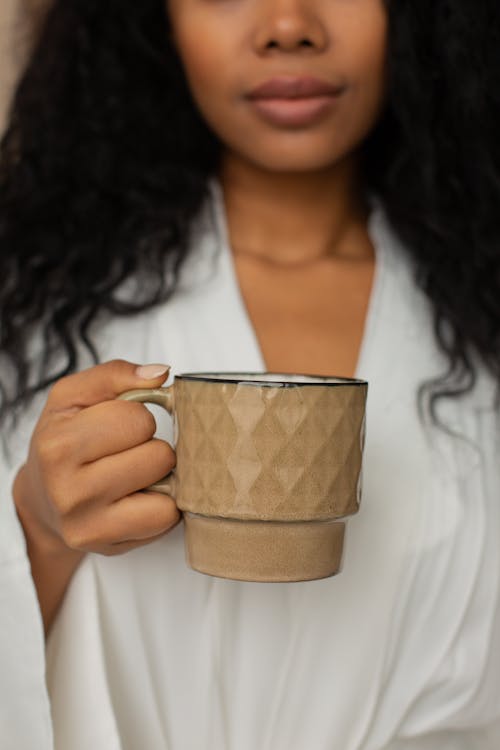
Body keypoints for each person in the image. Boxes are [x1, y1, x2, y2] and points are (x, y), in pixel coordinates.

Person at [0, 0, 499, 748]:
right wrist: (39, 528)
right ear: (150, 21)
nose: (288, 24)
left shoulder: (482, 312)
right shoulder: (32, 303)